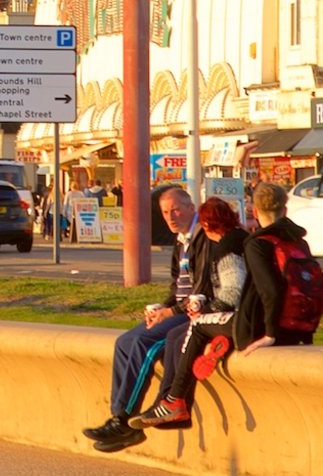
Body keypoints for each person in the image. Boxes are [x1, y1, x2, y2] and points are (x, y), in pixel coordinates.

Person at [82, 184, 200, 454]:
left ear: (191, 208)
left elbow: (202, 289)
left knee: (144, 344)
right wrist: (163, 306)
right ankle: (116, 416)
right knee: (124, 341)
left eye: (176, 210)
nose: (171, 217)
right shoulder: (180, 240)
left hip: (193, 313)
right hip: (178, 308)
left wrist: (172, 311)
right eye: (166, 212)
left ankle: (124, 420)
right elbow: (177, 286)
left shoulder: (202, 237)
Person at [135, 195, 253, 433]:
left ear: (208, 225)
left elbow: (232, 294)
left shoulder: (228, 247)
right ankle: (169, 401)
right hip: (241, 315)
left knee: (192, 329)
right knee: (176, 337)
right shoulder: (236, 240)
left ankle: (174, 400)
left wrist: (203, 309)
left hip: (239, 316)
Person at [237, 183, 321, 355]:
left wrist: (270, 334)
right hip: (299, 326)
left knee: (199, 328)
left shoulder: (257, 244)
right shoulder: (298, 241)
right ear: (285, 210)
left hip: (265, 327)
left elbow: (269, 291)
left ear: (255, 211)